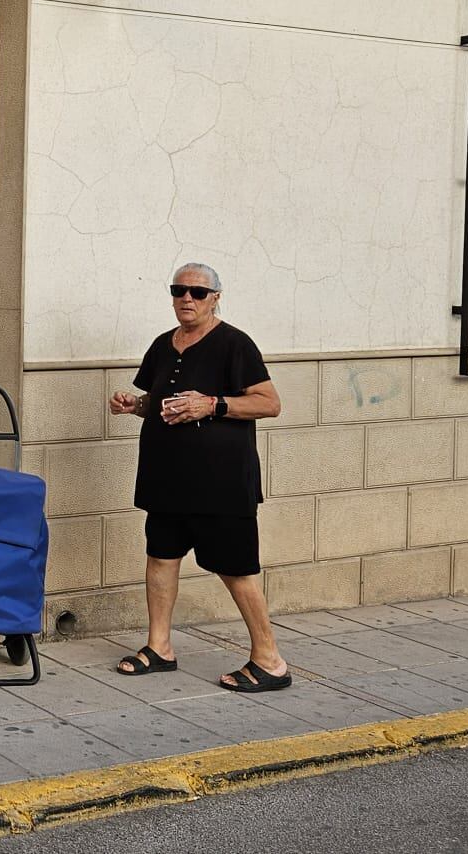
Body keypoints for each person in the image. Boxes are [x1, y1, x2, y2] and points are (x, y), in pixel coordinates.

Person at [106, 263, 290, 693]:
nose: (187, 298)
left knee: (236, 569)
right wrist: (134, 404)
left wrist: (213, 405)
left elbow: (269, 403)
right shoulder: (162, 345)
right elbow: (159, 402)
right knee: (161, 558)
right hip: (167, 478)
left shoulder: (234, 344)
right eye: (179, 290)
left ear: (216, 298)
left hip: (220, 483)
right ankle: (159, 648)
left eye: (198, 292)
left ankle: (271, 660)